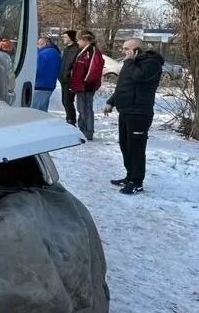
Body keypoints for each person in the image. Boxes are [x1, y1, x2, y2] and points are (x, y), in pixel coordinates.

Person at [103, 39, 163, 194]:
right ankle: (130, 176)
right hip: (126, 110)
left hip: (139, 113)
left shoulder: (151, 63)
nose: (123, 52)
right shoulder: (130, 63)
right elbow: (124, 85)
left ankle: (137, 182)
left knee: (136, 148)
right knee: (125, 146)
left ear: (135, 50)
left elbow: (139, 78)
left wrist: (129, 62)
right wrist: (111, 102)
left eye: (125, 49)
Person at [68, 31, 104, 141]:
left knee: (86, 109)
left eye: (79, 40)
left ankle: (87, 131)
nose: (77, 42)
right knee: (81, 108)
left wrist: (85, 81)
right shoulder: (84, 51)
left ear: (85, 39)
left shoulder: (92, 51)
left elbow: (94, 68)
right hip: (80, 85)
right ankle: (82, 129)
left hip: (86, 86)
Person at [32, 36, 62, 112]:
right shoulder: (56, 53)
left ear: (45, 43)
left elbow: (37, 69)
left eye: (39, 44)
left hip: (40, 85)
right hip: (49, 85)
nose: (37, 46)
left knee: (34, 111)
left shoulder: (42, 54)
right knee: (43, 110)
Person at [58, 30, 81, 125]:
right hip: (63, 79)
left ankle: (71, 121)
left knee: (68, 101)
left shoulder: (76, 49)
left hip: (70, 79)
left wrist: (68, 74)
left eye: (65, 37)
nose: (63, 39)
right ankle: (69, 119)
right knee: (64, 101)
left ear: (71, 38)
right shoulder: (67, 49)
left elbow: (73, 65)